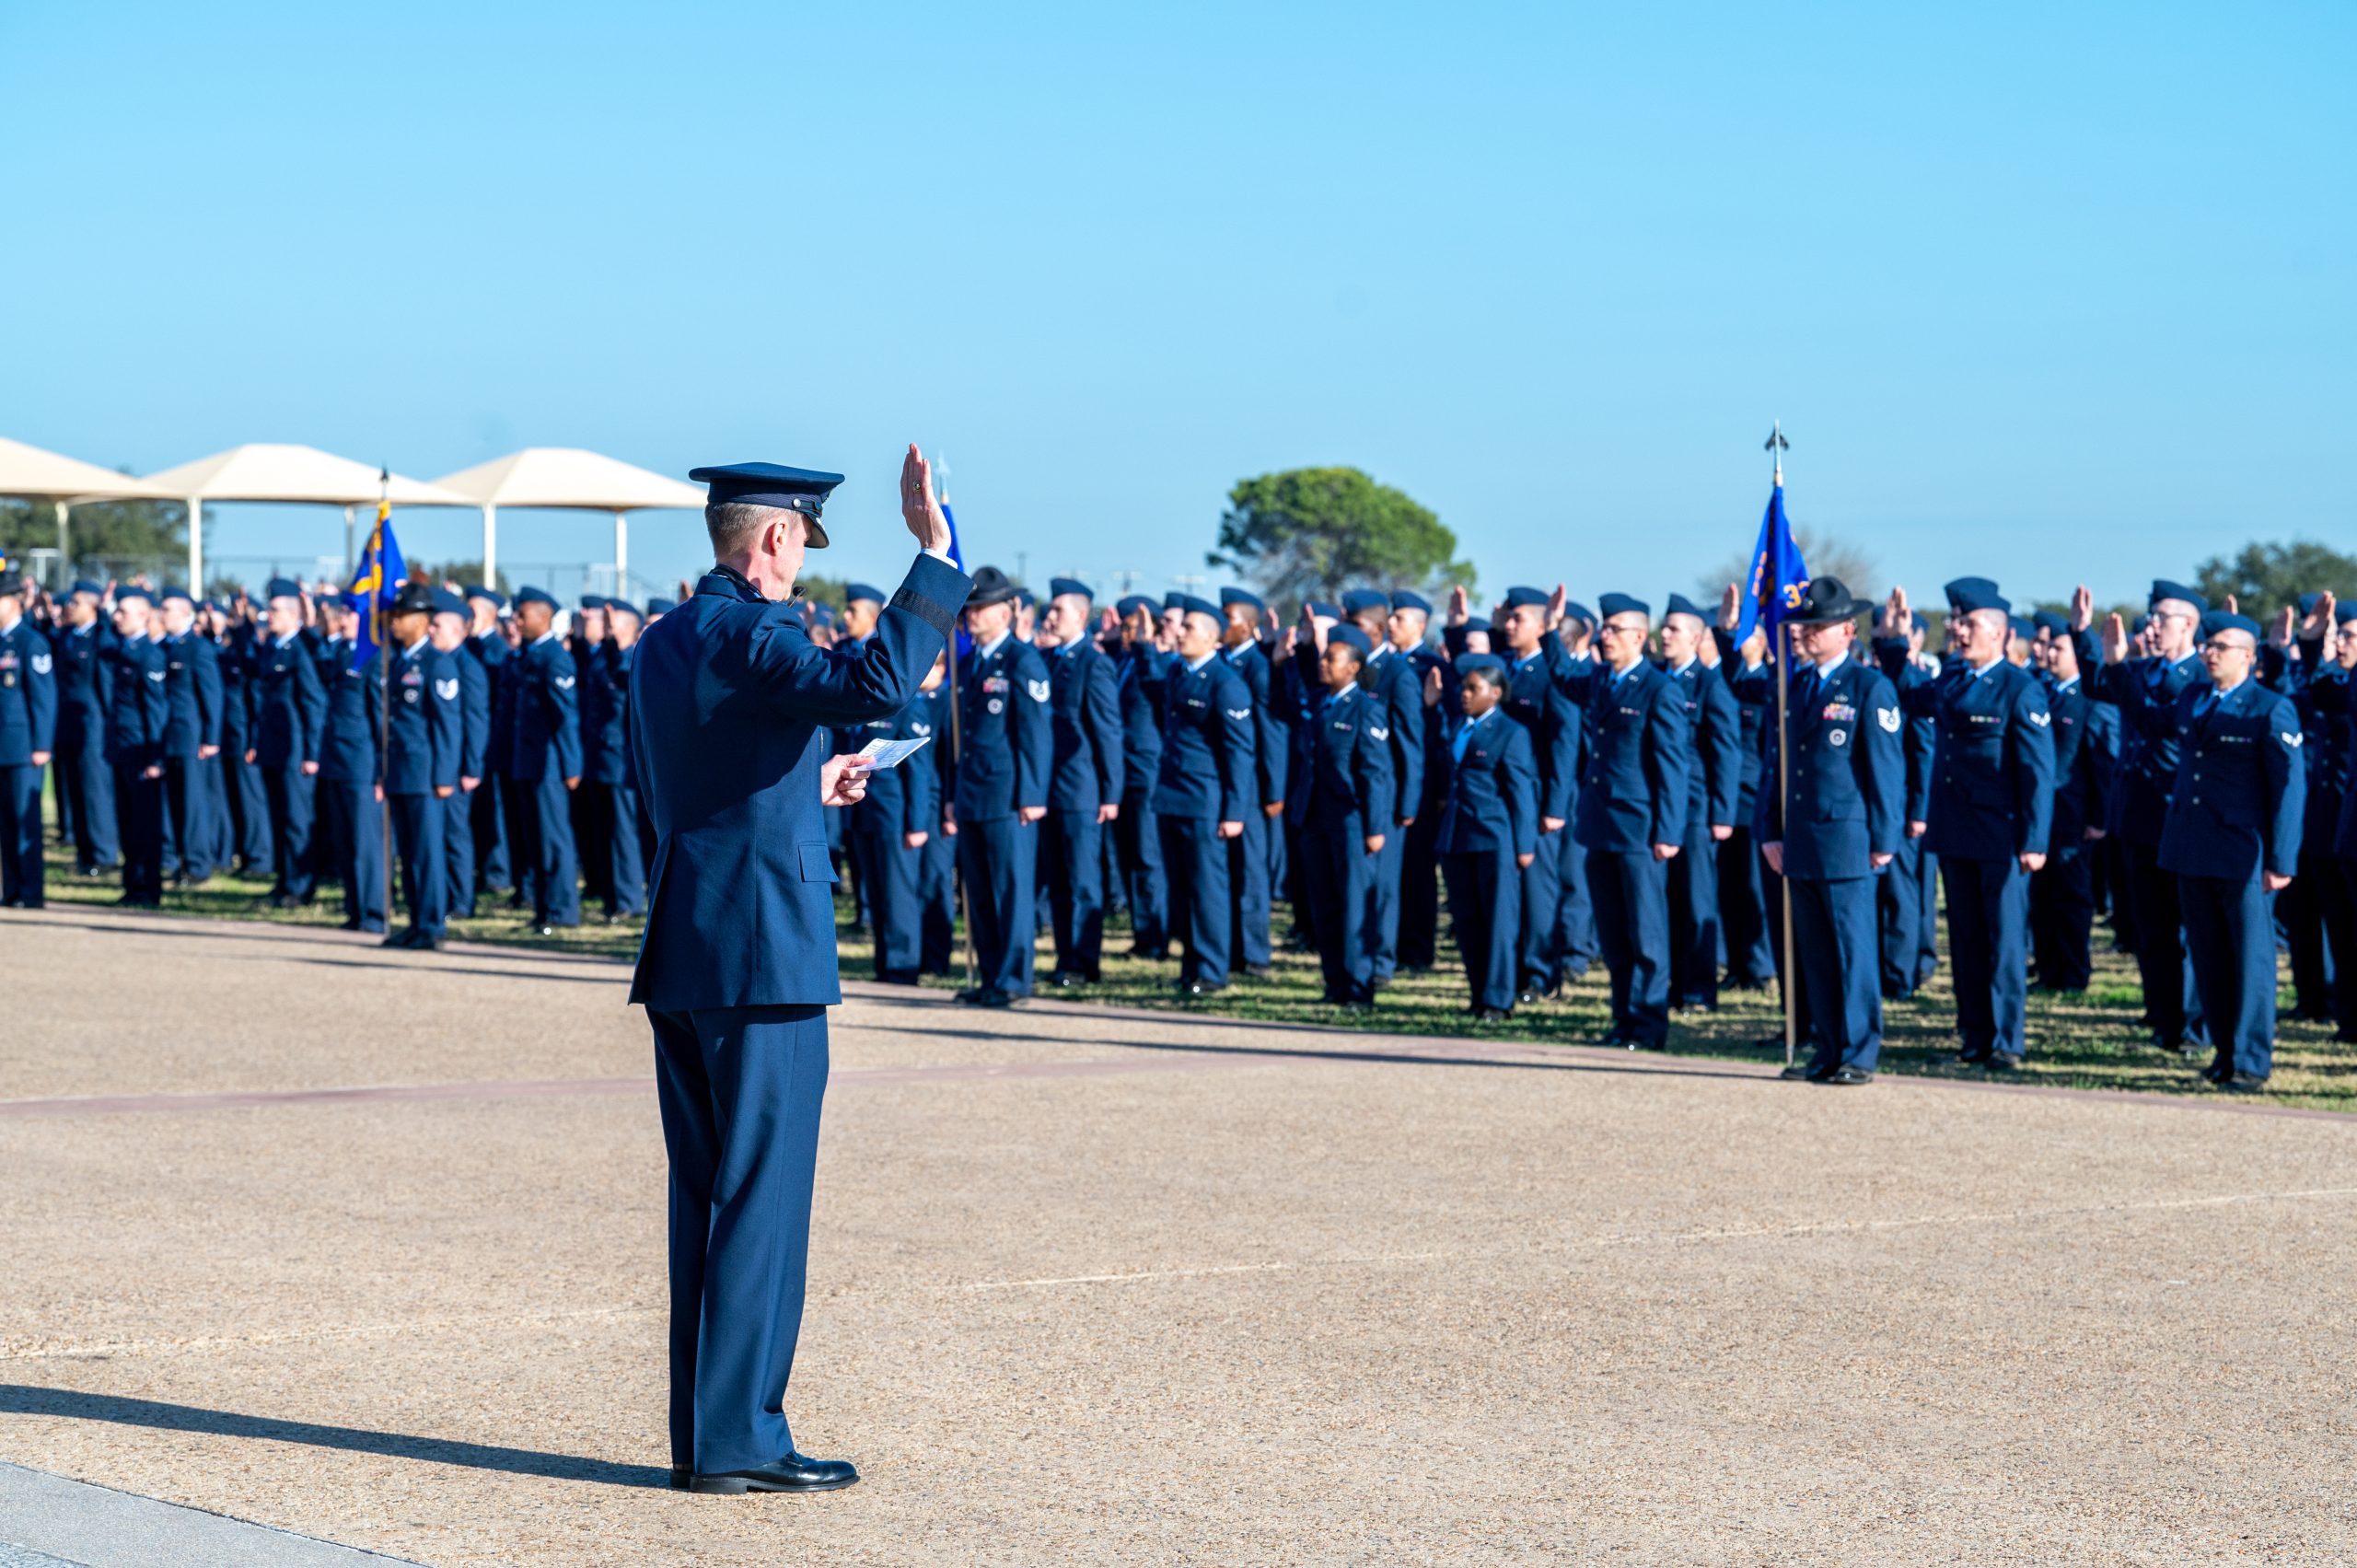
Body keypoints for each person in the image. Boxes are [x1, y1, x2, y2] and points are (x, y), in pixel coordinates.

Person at [631, 447, 968, 1495]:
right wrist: (935, 555)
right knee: (762, 1198)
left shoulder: (664, 637)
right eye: (803, 543)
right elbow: (871, 680)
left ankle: (710, 1432)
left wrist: (802, 783)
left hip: (690, 937)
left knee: (710, 1196)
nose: (803, 567)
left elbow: (703, 771)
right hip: (761, 948)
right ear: (776, 537)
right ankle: (743, 1440)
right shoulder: (758, 624)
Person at [1878, 579, 2056, 1069]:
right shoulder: (1955, 679)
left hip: (2002, 834)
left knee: (2003, 942)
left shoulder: (2021, 689)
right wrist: (1893, 641)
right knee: (1967, 942)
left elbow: (2037, 772)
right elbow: (1910, 696)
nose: (1959, 631)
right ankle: (1974, 1035)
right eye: (1957, 622)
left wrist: (2035, 839)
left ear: (1999, 633)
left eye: (1970, 623)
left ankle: (2005, 1041)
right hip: (1956, 831)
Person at [1753, 578, 1905, 1084]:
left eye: (1815, 626)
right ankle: (1827, 1048)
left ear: (1846, 630)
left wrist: (1885, 839)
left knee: (1852, 949)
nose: (1804, 634)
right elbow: (1777, 765)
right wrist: (1770, 829)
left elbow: (1884, 769)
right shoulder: (1794, 686)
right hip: (1800, 838)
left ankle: (1859, 1052)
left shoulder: (1869, 687)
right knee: (1814, 953)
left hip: (1847, 838)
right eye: (1801, 625)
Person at [2159, 610, 2303, 1089]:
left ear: (2247, 655)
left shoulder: (2269, 706)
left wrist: (2282, 860)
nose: (2209, 652)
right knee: (2209, 957)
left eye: (2220, 646)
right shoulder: (2194, 698)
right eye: (2207, 645)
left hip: (2245, 852)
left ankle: (2250, 1060)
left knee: (2251, 960)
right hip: (2193, 846)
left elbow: (2287, 788)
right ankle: (2223, 1053)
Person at [1545, 590, 1692, 1049]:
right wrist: (1552, 631)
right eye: (1604, 629)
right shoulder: (1601, 681)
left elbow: (1672, 765)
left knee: (1645, 933)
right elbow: (1564, 676)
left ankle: (1648, 1025)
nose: (1604, 637)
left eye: (1614, 630)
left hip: (1640, 827)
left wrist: (1668, 831)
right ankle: (1623, 1021)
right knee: (1612, 933)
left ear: (1639, 637)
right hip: (1600, 824)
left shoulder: (1659, 689)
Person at [2079, 579, 2209, 1055]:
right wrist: (2083, 635)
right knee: (2150, 928)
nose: (2151, 628)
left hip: (2177, 819)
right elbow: (2095, 684)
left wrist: (2119, 667)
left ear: (2190, 626)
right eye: (2151, 618)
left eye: (2162, 620)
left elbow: (2155, 719)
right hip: (2136, 817)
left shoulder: (2200, 674)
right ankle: (2162, 1016)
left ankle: (2193, 1026)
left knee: (2187, 930)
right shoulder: (2147, 670)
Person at [948, 565, 1051, 1005]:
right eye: (969, 608)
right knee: (980, 892)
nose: (971, 616)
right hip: (973, 794)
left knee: (1010, 891)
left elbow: (1035, 735)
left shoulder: (1022, 661)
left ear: (1007, 612)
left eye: (981, 608)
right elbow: (964, 737)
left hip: (1009, 798)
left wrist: (1032, 796)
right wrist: (955, 794)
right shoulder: (970, 663)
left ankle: (1012, 980)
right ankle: (990, 977)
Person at [1155, 593, 1254, 997]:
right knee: (1180, 887)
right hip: (1173, 796)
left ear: (1213, 638)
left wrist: (1234, 809)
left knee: (1207, 888)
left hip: (1205, 800)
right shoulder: (1179, 673)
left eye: (1189, 628)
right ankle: (1190, 966)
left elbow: (1239, 751)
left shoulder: (1226, 683)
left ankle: (1212, 970)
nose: (1181, 633)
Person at [1434, 656, 1538, 1020]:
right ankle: (1478, 995)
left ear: (1495, 693)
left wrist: (1524, 846)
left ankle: (1498, 1000)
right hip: (1457, 836)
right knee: (1467, 921)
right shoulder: (1457, 727)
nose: (1464, 695)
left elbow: (1521, 792)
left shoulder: (1511, 733)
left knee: (1498, 923)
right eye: (1462, 688)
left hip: (1495, 837)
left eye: (1473, 689)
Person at [1295, 623, 1393, 1010]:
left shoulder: (1367, 709)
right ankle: (1334, 982)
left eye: (1330, 659)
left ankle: (1358, 988)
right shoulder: (1322, 703)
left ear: (1353, 667)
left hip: (1351, 820)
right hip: (1316, 818)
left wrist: (1374, 827)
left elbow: (1375, 772)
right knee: (1325, 904)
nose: (1322, 664)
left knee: (1355, 907)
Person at [1489, 586, 1576, 1005]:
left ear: (1542, 626)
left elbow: (1564, 740)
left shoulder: (1551, 672)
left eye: (1518, 619)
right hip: (1503, 796)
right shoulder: (1505, 668)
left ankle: (1542, 974)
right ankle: (1516, 970)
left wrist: (1555, 807)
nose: (1509, 625)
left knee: (1539, 891)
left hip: (1539, 796)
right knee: (1510, 889)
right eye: (1507, 618)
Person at [1657, 592, 1741, 1012]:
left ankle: (1698, 990)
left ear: (1695, 637)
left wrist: (1722, 813)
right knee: (1663, 901)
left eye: (1674, 629)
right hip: (1658, 809)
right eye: (1664, 627)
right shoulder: (1656, 679)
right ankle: (1672, 984)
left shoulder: (1710, 684)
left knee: (1695, 901)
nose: (1665, 635)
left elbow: (1725, 750)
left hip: (1694, 810)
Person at [1039, 578, 1123, 985]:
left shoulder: (1095, 661)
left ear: (1080, 615)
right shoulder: (1052, 659)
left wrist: (1111, 791)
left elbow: (1107, 731)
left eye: (1057, 610)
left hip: (1082, 788)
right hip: (1051, 787)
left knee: (1082, 881)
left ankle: (1083, 961)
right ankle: (1064, 957)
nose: (1049, 616)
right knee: (1058, 879)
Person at [1341, 588, 1423, 985]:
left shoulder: (1398, 674)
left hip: (1385, 796)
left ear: (1374, 630)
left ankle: (1381, 964)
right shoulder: (1347, 669)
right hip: (1350, 795)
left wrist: (1407, 803)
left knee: (1384, 884)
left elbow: (1410, 743)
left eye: (1354, 625)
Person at [2029, 611, 2113, 993]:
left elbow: (2101, 765)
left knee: (2072, 898)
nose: (2048, 654)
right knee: (2043, 897)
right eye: (2047, 646)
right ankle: (2048, 970)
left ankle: (2073, 973)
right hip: (2043, 816)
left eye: (2057, 647)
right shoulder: (2042, 691)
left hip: (2073, 817)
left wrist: (2098, 817)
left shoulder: (2089, 701)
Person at [846, 651, 942, 984]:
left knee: (898, 896)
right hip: (866, 814)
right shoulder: (866, 704)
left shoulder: (910, 707)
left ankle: (903, 967)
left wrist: (917, 825)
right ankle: (885, 965)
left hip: (896, 818)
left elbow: (919, 773)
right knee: (876, 894)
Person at [380, 582, 461, 949]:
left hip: (426, 774)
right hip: (400, 772)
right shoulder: (399, 661)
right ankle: (414, 922)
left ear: (421, 619)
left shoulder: (437, 663)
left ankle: (430, 926)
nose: (394, 622)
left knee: (427, 854)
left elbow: (447, 725)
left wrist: (445, 776)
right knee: (409, 853)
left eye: (401, 616)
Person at [507, 587, 583, 935]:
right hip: (528, 761)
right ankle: (542, 909)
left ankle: (562, 909)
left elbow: (565, 718)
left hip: (550, 765)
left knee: (553, 839)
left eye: (522, 615)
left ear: (542, 617)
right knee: (535, 840)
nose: (516, 622)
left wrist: (571, 766)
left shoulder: (555, 658)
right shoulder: (527, 655)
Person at [1218, 587, 1284, 978]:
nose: (1221, 624)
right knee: (1228, 869)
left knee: (1251, 873)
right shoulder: (1226, 663)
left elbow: (1271, 732)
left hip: (1254, 786)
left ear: (1247, 624)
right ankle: (1231, 950)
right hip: (1228, 783)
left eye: (1227, 618)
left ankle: (1255, 953)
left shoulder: (1257, 666)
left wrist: (1274, 790)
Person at [250, 580, 324, 908]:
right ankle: (283, 880)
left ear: (295, 615)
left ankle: (301, 885)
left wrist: (311, 752)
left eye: (276, 610)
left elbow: (313, 703)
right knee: (278, 816)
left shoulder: (300, 650)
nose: (269, 615)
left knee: (297, 820)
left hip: (295, 748)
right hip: (273, 746)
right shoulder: (272, 647)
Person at [315, 598, 388, 935]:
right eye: (342, 614)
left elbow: (380, 720)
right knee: (345, 843)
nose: (342, 620)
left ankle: (374, 912)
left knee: (366, 844)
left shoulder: (373, 659)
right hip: (336, 762)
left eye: (348, 615)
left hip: (362, 765)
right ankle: (355, 909)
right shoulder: (343, 653)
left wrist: (381, 772)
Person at [1111, 594, 1170, 958]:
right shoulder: (1124, 662)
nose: (1124, 633)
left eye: (1130, 626)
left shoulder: (1155, 662)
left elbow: (1158, 690)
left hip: (1147, 772)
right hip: (1125, 772)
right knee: (1130, 856)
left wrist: (1147, 644)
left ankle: (1155, 938)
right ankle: (1141, 933)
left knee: (1148, 858)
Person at [48, 580, 118, 877]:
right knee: (74, 788)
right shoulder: (68, 635)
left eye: (75, 603)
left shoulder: (98, 636)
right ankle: (84, 853)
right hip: (68, 721)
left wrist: (104, 615)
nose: (69, 607)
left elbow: (111, 645)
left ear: (92, 606)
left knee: (94, 789)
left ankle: (104, 854)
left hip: (93, 722)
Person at [104, 587, 168, 907]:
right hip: (121, 748)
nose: (116, 617)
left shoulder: (149, 654)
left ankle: (148, 888)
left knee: (145, 823)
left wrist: (155, 758)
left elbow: (156, 709)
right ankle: (132, 885)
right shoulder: (125, 649)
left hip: (142, 751)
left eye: (123, 613)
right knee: (127, 821)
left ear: (143, 616)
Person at [155, 587, 223, 886]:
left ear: (185, 613)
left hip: (190, 735)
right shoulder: (165, 647)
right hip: (167, 734)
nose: (162, 614)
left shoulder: (197, 647)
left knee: (192, 803)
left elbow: (211, 694)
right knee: (172, 803)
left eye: (168, 609)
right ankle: (175, 860)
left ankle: (197, 864)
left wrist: (210, 736)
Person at [428, 589, 490, 921]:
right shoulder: (440, 662)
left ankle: (461, 901)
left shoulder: (467, 667)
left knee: (455, 836)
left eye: (437, 624)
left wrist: (471, 767)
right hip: (441, 763)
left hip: (457, 767)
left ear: (455, 628)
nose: (431, 631)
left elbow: (476, 721)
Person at [0, 566, 57, 907]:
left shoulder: (30, 642)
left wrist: (41, 745)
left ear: (12, 602)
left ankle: (32, 892)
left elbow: (43, 699)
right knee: (5, 823)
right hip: (2, 746)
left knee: (25, 822)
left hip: (24, 748)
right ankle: (12, 888)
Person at [463, 586, 513, 904]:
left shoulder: (496, 650)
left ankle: (496, 873)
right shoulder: (470, 647)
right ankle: (484, 869)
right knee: (477, 813)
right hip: (474, 738)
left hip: (491, 741)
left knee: (493, 812)